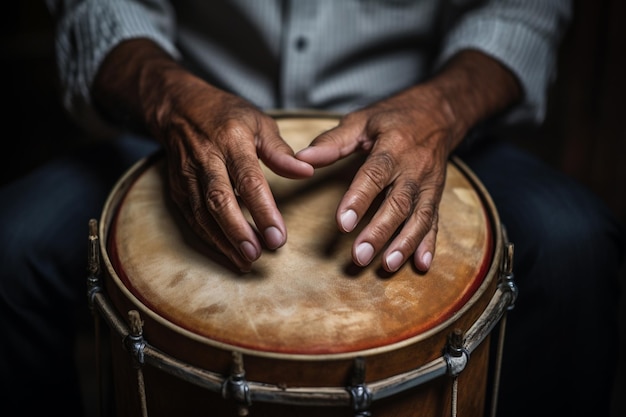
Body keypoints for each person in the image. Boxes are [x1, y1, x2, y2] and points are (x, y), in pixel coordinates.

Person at [1, 1, 623, 416]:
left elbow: (521, 10)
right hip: (186, 118)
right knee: (12, 242)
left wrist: (441, 112)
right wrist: (172, 102)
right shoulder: (178, 111)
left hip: (417, 123)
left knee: (576, 241)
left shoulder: (432, 118)